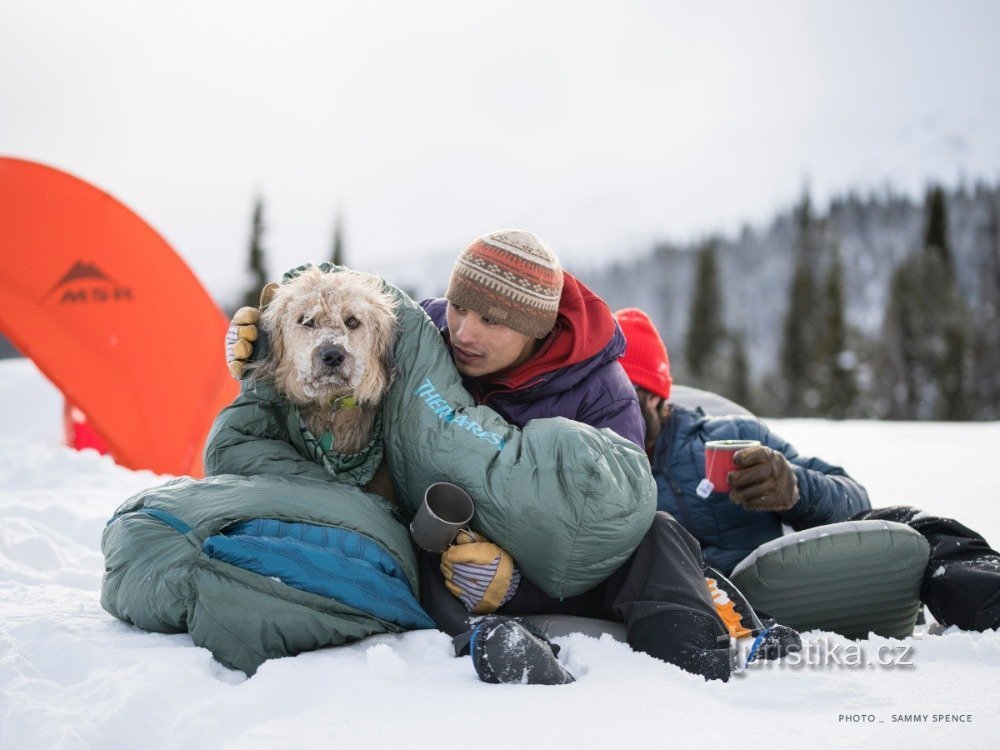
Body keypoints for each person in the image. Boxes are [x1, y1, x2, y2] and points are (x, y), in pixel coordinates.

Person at [227, 230, 798, 683]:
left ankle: (702, 644)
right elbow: (337, 347)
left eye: (492, 320)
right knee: (410, 532)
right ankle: (491, 642)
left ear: (536, 327)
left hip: (574, 562)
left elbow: (608, 517)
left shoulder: (602, 394)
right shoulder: (425, 341)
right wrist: (265, 347)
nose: (464, 333)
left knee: (656, 533)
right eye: (459, 308)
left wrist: (514, 584)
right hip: (455, 550)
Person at [614, 307, 1000, 633]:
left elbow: (853, 498)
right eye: (610, 395)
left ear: (658, 396)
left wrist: (794, 488)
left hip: (773, 582)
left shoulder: (735, 434)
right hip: (694, 604)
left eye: (629, 395)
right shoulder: (600, 459)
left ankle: (989, 606)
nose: (616, 409)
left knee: (911, 524)